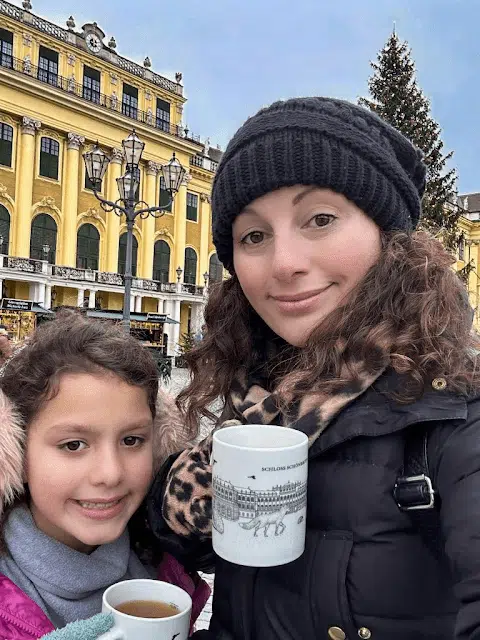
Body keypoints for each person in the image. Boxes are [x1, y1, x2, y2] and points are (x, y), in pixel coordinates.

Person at [147, 97, 480, 640]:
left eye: (320, 219)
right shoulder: (256, 398)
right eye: (253, 235)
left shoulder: (455, 415)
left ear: (386, 237)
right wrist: (183, 497)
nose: (284, 263)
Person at [0, 312, 210, 639]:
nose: (110, 474)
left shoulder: (169, 567)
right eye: (73, 444)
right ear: (15, 453)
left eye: (131, 440)